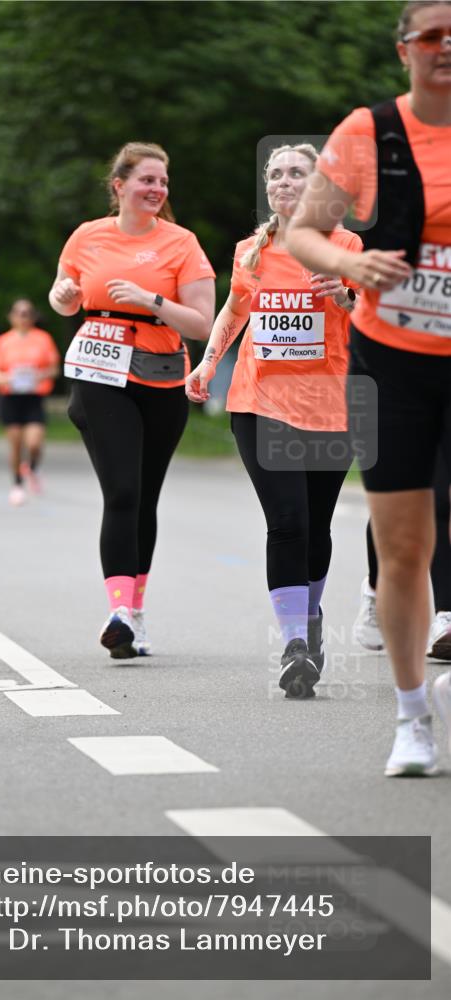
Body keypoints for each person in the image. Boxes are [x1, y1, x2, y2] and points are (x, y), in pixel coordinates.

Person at [286, 0, 451, 774]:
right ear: (403, 51)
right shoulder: (367, 132)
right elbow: (304, 230)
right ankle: (411, 717)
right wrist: (351, 265)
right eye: (431, 38)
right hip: (391, 363)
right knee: (403, 545)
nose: (446, 48)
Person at [186, 144, 360, 698]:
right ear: (268, 189)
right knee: (286, 522)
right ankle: (294, 645)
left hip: (332, 405)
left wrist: (348, 295)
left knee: (317, 528)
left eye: (297, 173)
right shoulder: (249, 252)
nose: (284, 181)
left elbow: (373, 315)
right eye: (276, 174)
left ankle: (309, 620)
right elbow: (236, 309)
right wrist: (209, 363)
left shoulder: (345, 245)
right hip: (260, 403)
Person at [49, 141, 215, 658]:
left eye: (163, 182)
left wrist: (153, 301)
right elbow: (65, 292)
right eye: (147, 180)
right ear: (119, 185)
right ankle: (118, 611)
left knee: (145, 495)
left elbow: (203, 323)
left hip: (162, 374)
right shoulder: (87, 236)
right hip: (99, 368)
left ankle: (135, 615)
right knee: (121, 490)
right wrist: (61, 297)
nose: (157, 189)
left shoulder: (181, 243)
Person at [354, 447, 451, 659]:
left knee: (441, 498)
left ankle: (446, 614)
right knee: (396, 501)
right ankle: (375, 588)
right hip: (402, 415)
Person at [0, 299, 60, 505]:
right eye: (19, 313)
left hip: (33, 396)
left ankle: (34, 467)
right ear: (11, 317)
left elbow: (54, 369)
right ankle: (17, 484)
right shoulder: (3, 341)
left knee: (34, 442)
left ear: (33, 316)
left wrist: (38, 375)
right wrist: (7, 379)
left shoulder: (43, 339)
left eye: (27, 313)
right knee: (16, 444)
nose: (23, 317)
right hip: (10, 396)